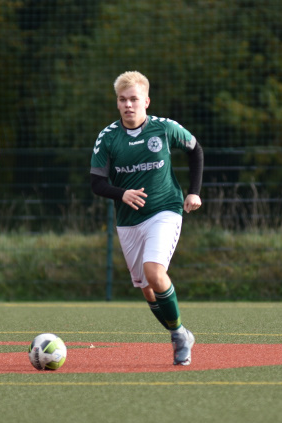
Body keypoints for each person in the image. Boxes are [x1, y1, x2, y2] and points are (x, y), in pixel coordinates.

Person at [90, 71, 203, 366]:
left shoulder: (164, 128)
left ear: (146, 101)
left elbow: (195, 150)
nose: (128, 105)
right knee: (147, 290)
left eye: (134, 99)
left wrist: (194, 192)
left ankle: (178, 337)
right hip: (129, 220)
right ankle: (181, 332)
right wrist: (122, 194)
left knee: (153, 271)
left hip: (165, 209)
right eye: (122, 100)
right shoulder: (108, 137)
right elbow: (97, 183)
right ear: (117, 103)